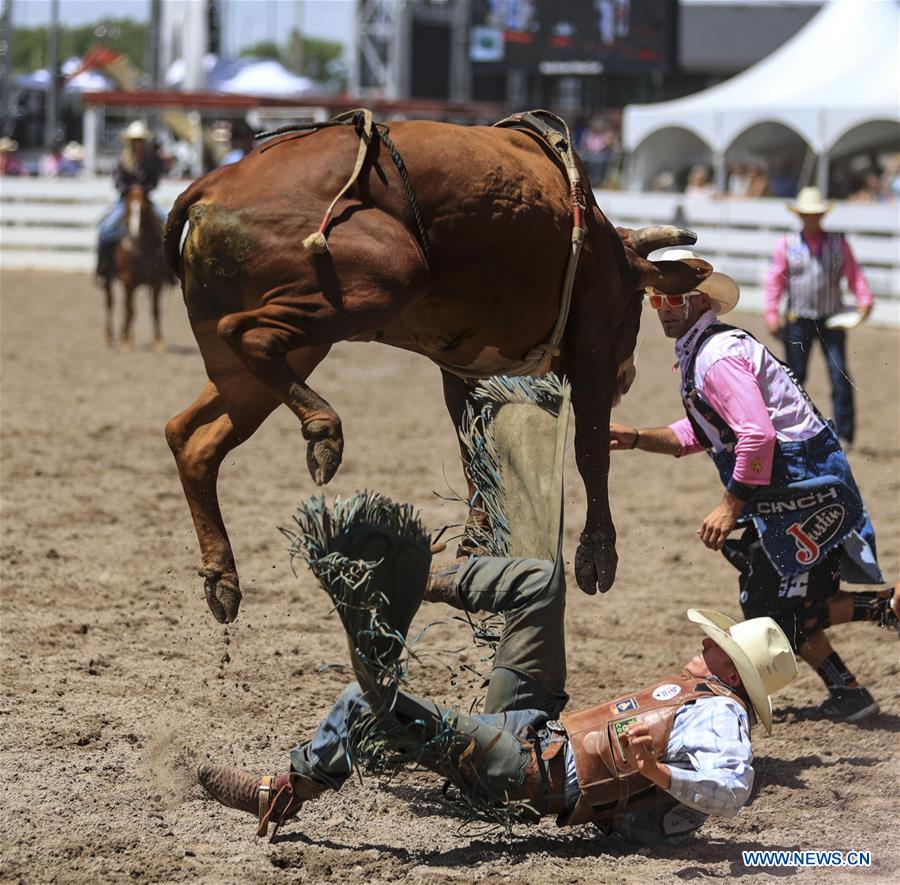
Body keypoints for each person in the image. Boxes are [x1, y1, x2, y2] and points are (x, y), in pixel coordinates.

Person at [197, 494, 799, 846]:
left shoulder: (720, 713)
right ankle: (419, 583)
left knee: (366, 699)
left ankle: (279, 793)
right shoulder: (704, 696)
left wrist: (655, 769)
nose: (704, 640)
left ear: (735, 675)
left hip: (524, 772)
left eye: (719, 644)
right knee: (541, 582)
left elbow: (733, 789)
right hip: (535, 730)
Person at [609, 250, 896, 722]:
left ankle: (876, 628)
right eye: (656, 299)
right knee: (780, 598)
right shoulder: (708, 349)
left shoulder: (715, 356)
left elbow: (757, 435)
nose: (662, 309)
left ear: (702, 301)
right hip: (800, 484)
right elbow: (702, 433)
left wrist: (730, 505)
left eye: (673, 299)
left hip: (800, 485)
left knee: (767, 599)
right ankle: (856, 672)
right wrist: (639, 438)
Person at [763, 186, 873, 445]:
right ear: (800, 216)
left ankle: (844, 434)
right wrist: (771, 314)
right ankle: (789, 429)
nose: (811, 219)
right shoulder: (787, 244)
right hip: (798, 318)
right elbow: (774, 281)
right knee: (793, 377)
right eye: (806, 214)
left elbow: (854, 274)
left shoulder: (839, 243)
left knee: (839, 375)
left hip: (832, 318)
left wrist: (864, 300)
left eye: (815, 214)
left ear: (821, 216)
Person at [96, 120, 167, 282]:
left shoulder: (151, 160)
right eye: (135, 140)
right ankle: (104, 269)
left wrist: (143, 189)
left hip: (146, 200)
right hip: (125, 201)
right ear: (130, 142)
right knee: (105, 229)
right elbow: (118, 181)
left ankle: (168, 271)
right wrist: (130, 190)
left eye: (140, 140)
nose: (138, 143)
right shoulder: (122, 160)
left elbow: (154, 180)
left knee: (167, 224)